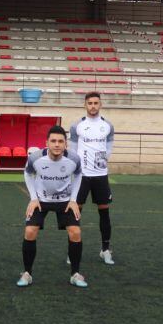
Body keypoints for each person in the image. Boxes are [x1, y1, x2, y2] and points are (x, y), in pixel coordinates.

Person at [18, 126, 85, 288]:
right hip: (41, 200)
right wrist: (33, 198)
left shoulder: (74, 159)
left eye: (60, 141)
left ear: (65, 144)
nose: (57, 144)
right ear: (46, 142)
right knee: (29, 231)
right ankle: (27, 273)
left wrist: (73, 200)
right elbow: (27, 173)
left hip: (64, 200)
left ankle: (75, 274)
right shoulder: (35, 158)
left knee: (75, 232)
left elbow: (78, 175)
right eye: (53, 141)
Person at [69, 92, 117, 265]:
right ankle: (72, 250)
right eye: (90, 103)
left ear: (100, 104)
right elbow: (73, 148)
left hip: (100, 175)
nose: (93, 106)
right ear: (85, 105)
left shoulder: (107, 125)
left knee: (104, 211)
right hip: (82, 175)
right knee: (76, 212)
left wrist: (106, 157)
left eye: (96, 103)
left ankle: (105, 250)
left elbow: (110, 143)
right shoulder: (77, 126)